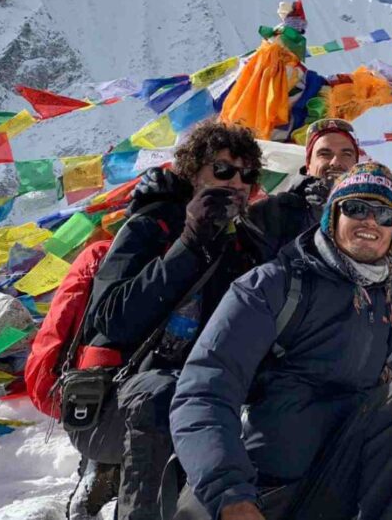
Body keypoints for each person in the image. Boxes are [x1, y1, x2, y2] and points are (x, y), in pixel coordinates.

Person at [170, 162, 392, 520]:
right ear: (332, 218)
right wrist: (229, 493)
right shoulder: (273, 286)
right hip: (264, 486)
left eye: (384, 214)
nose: (370, 221)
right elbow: (205, 389)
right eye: (356, 208)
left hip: (339, 483)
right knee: (196, 513)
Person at [66, 120, 267, 520]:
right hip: (123, 400)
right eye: (223, 170)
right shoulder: (150, 225)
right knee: (165, 395)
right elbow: (114, 318)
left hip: (211, 391)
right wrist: (189, 243)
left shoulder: (244, 241)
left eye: (246, 174)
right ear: (193, 174)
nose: (236, 182)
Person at [247, 117, 360, 258]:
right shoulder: (271, 212)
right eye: (325, 154)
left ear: (357, 166)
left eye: (346, 154)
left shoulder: (379, 214)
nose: (336, 162)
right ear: (308, 166)